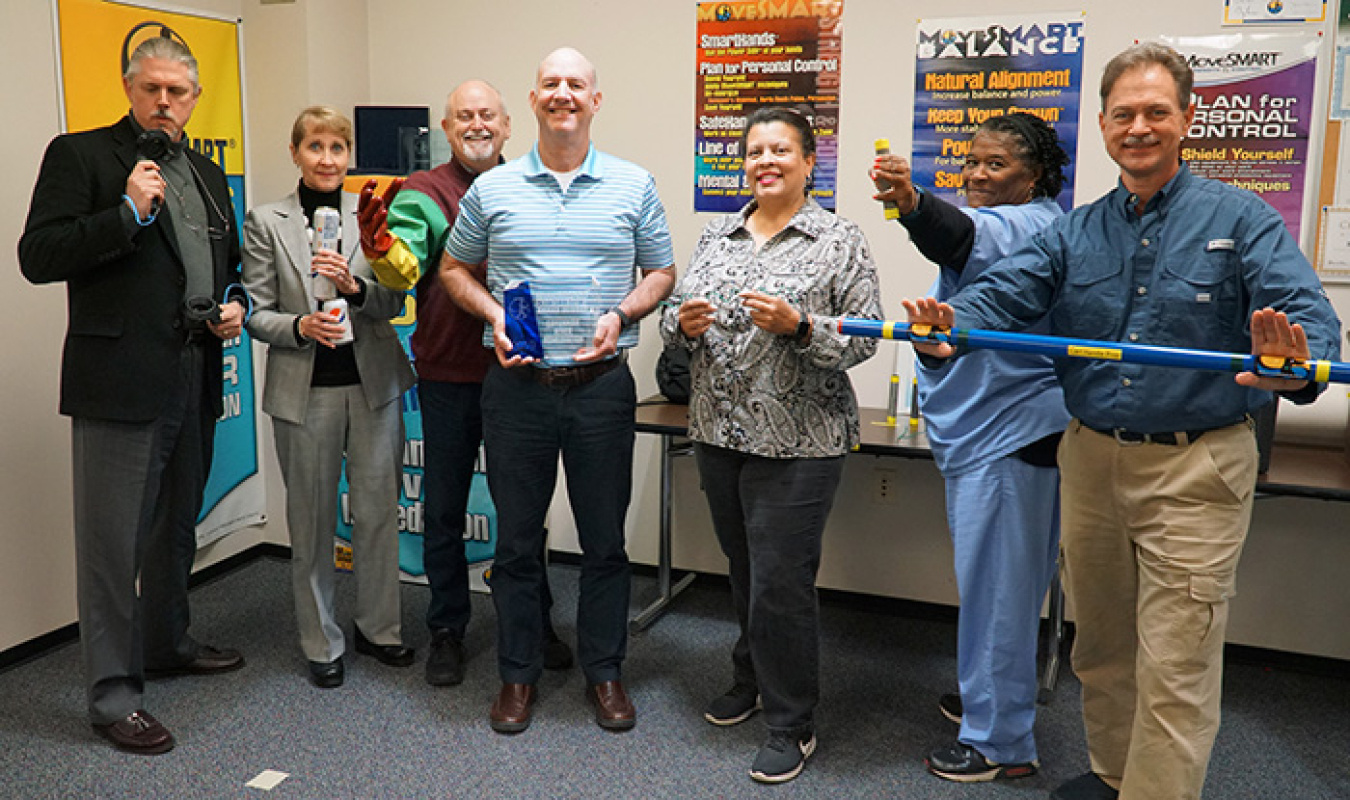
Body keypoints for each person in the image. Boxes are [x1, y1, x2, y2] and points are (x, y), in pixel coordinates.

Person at [903, 43, 1340, 800]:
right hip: (1092, 460)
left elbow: (1311, 329)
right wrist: (949, 328)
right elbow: (1001, 296)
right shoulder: (1075, 232)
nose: (1139, 127)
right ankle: (1112, 777)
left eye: (1156, 112)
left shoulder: (1241, 218)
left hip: (1196, 465)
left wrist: (1296, 365)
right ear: (1104, 125)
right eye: (1124, 114)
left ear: (1186, 119)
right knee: (1100, 648)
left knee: (1175, 662)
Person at [18, 35, 246, 755]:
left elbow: (223, 264)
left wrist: (232, 303)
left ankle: (166, 642)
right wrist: (123, 214)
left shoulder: (207, 173)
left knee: (177, 524)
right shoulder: (81, 155)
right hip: (118, 381)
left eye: (178, 92)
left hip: (195, 367)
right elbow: (38, 255)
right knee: (113, 546)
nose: (164, 103)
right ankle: (114, 696)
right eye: (152, 89)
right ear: (128, 87)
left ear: (194, 99)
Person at [440, 47, 675, 735]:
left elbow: (661, 272)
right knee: (515, 544)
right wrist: (491, 318)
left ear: (596, 101)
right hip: (517, 389)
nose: (564, 94)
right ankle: (517, 677)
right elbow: (455, 270)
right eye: (551, 84)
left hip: (602, 388)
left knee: (604, 542)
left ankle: (605, 673)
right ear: (534, 99)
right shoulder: (494, 189)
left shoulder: (634, 185)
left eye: (577, 84)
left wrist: (623, 314)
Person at [661, 107, 882, 783]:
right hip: (718, 431)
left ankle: (792, 722)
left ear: (809, 161)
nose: (766, 161)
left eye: (781, 150)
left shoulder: (839, 240)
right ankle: (750, 677)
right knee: (745, 570)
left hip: (799, 440)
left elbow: (867, 335)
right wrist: (685, 323)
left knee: (782, 583)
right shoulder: (717, 234)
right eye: (755, 151)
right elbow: (675, 320)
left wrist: (799, 326)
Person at [871, 113, 1071, 783]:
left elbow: (954, 234)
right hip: (993, 432)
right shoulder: (1023, 224)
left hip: (1013, 434)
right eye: (973, 162)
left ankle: (1000, 742)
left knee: (1001, 594)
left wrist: (910, 205)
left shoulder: (1035, 225)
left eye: (996, 165)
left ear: (1035, 176)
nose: (978, 175)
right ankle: (991, 701)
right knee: (996, 587)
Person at [356, 80, 573, 688]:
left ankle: (533, 620)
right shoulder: (424, 192)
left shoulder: (533, 183)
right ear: (447, 131)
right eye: (462, 118)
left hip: (520, 377)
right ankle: (447, 628)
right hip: (449, 375)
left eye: (487, 116)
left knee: (523, 514)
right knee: (444, 508)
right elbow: (405, 266)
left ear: (508, 126)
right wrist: (380, 250)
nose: (476, 125)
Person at [241, 106, 416, 689]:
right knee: (312, 522)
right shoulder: (266, 221)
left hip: (373, 389)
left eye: (337, 148)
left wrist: (356, 285)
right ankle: (321, 641)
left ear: (348, 156)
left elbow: (395, 303)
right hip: (304, 394)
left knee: (376, 517)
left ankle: (379, 629)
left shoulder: (373, 215)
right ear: (296, 153)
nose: (327, 159)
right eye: (315, 146)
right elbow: (257, 313)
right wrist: (298, 328)